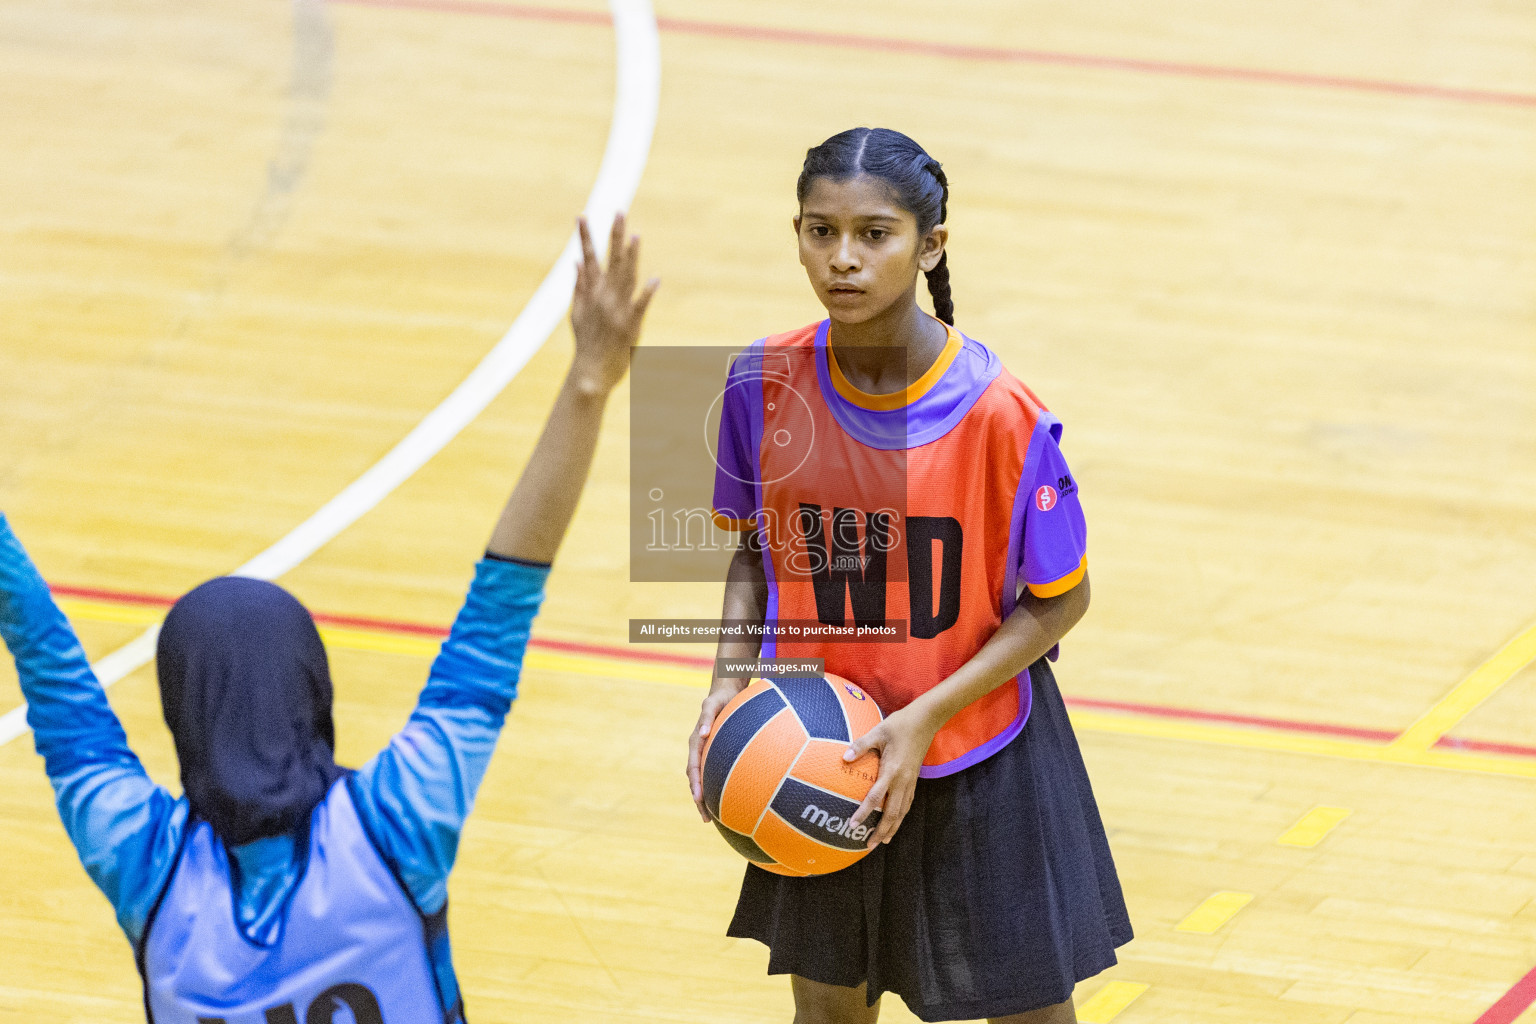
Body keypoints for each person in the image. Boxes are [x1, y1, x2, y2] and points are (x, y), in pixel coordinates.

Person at [0, 214, 657, 1023]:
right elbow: (503, 600)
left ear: (182, 715)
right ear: (313, 695)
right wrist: (590, 378)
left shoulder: (145, 864)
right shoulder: (397, 823)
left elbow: (57, 683)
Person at [685, 128, 1132, 1024]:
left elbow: (1063, 598)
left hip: (973, 750)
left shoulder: (1002, 415)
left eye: (874, 234)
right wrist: (727, 685)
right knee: (828, 1013)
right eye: (819, 231)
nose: (841, 259)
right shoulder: (760, 381)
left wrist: (925, 716)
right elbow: (750, 550)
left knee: (1029, 1016)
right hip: (823, 748)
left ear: (930, 246)